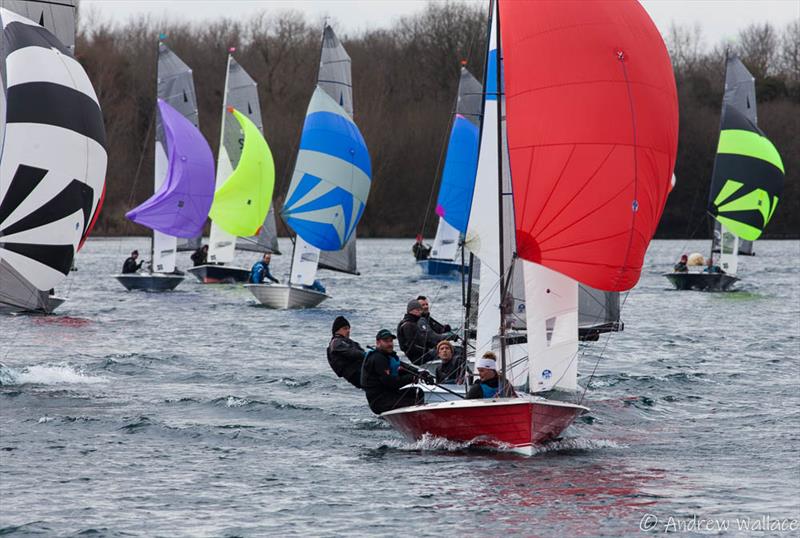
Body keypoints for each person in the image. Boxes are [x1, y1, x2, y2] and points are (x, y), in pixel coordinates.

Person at [361, 329, 429, 414]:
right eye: (386, 341)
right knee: (414, 401)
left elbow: (405, 367)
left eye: (391, 341)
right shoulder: (378, 359)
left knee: (417, 392)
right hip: (380, 401)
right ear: (378, 343)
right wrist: (413, 378)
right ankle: (415, 422)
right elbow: (391, 382)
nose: (390, 344)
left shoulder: (388, 356)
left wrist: (420, 373)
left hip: (390, 394)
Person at [397, 299, 450, 365]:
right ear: (412, 310)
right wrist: (428, 350)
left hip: (421, 354)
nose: (420, 312)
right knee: (451, 352)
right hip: (419, 357)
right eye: (418, 310)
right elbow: (412, 346)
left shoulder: (413, 323)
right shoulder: (408, 325)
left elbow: (423, 340)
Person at [326, 316, 364, 389]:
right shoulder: (336, 342)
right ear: (337, 330)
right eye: (345, 328)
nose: (348, 331)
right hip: (356, 373)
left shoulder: (346, 342)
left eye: (349, 328)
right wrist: (367, 355)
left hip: (361, 372)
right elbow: (351, 352)